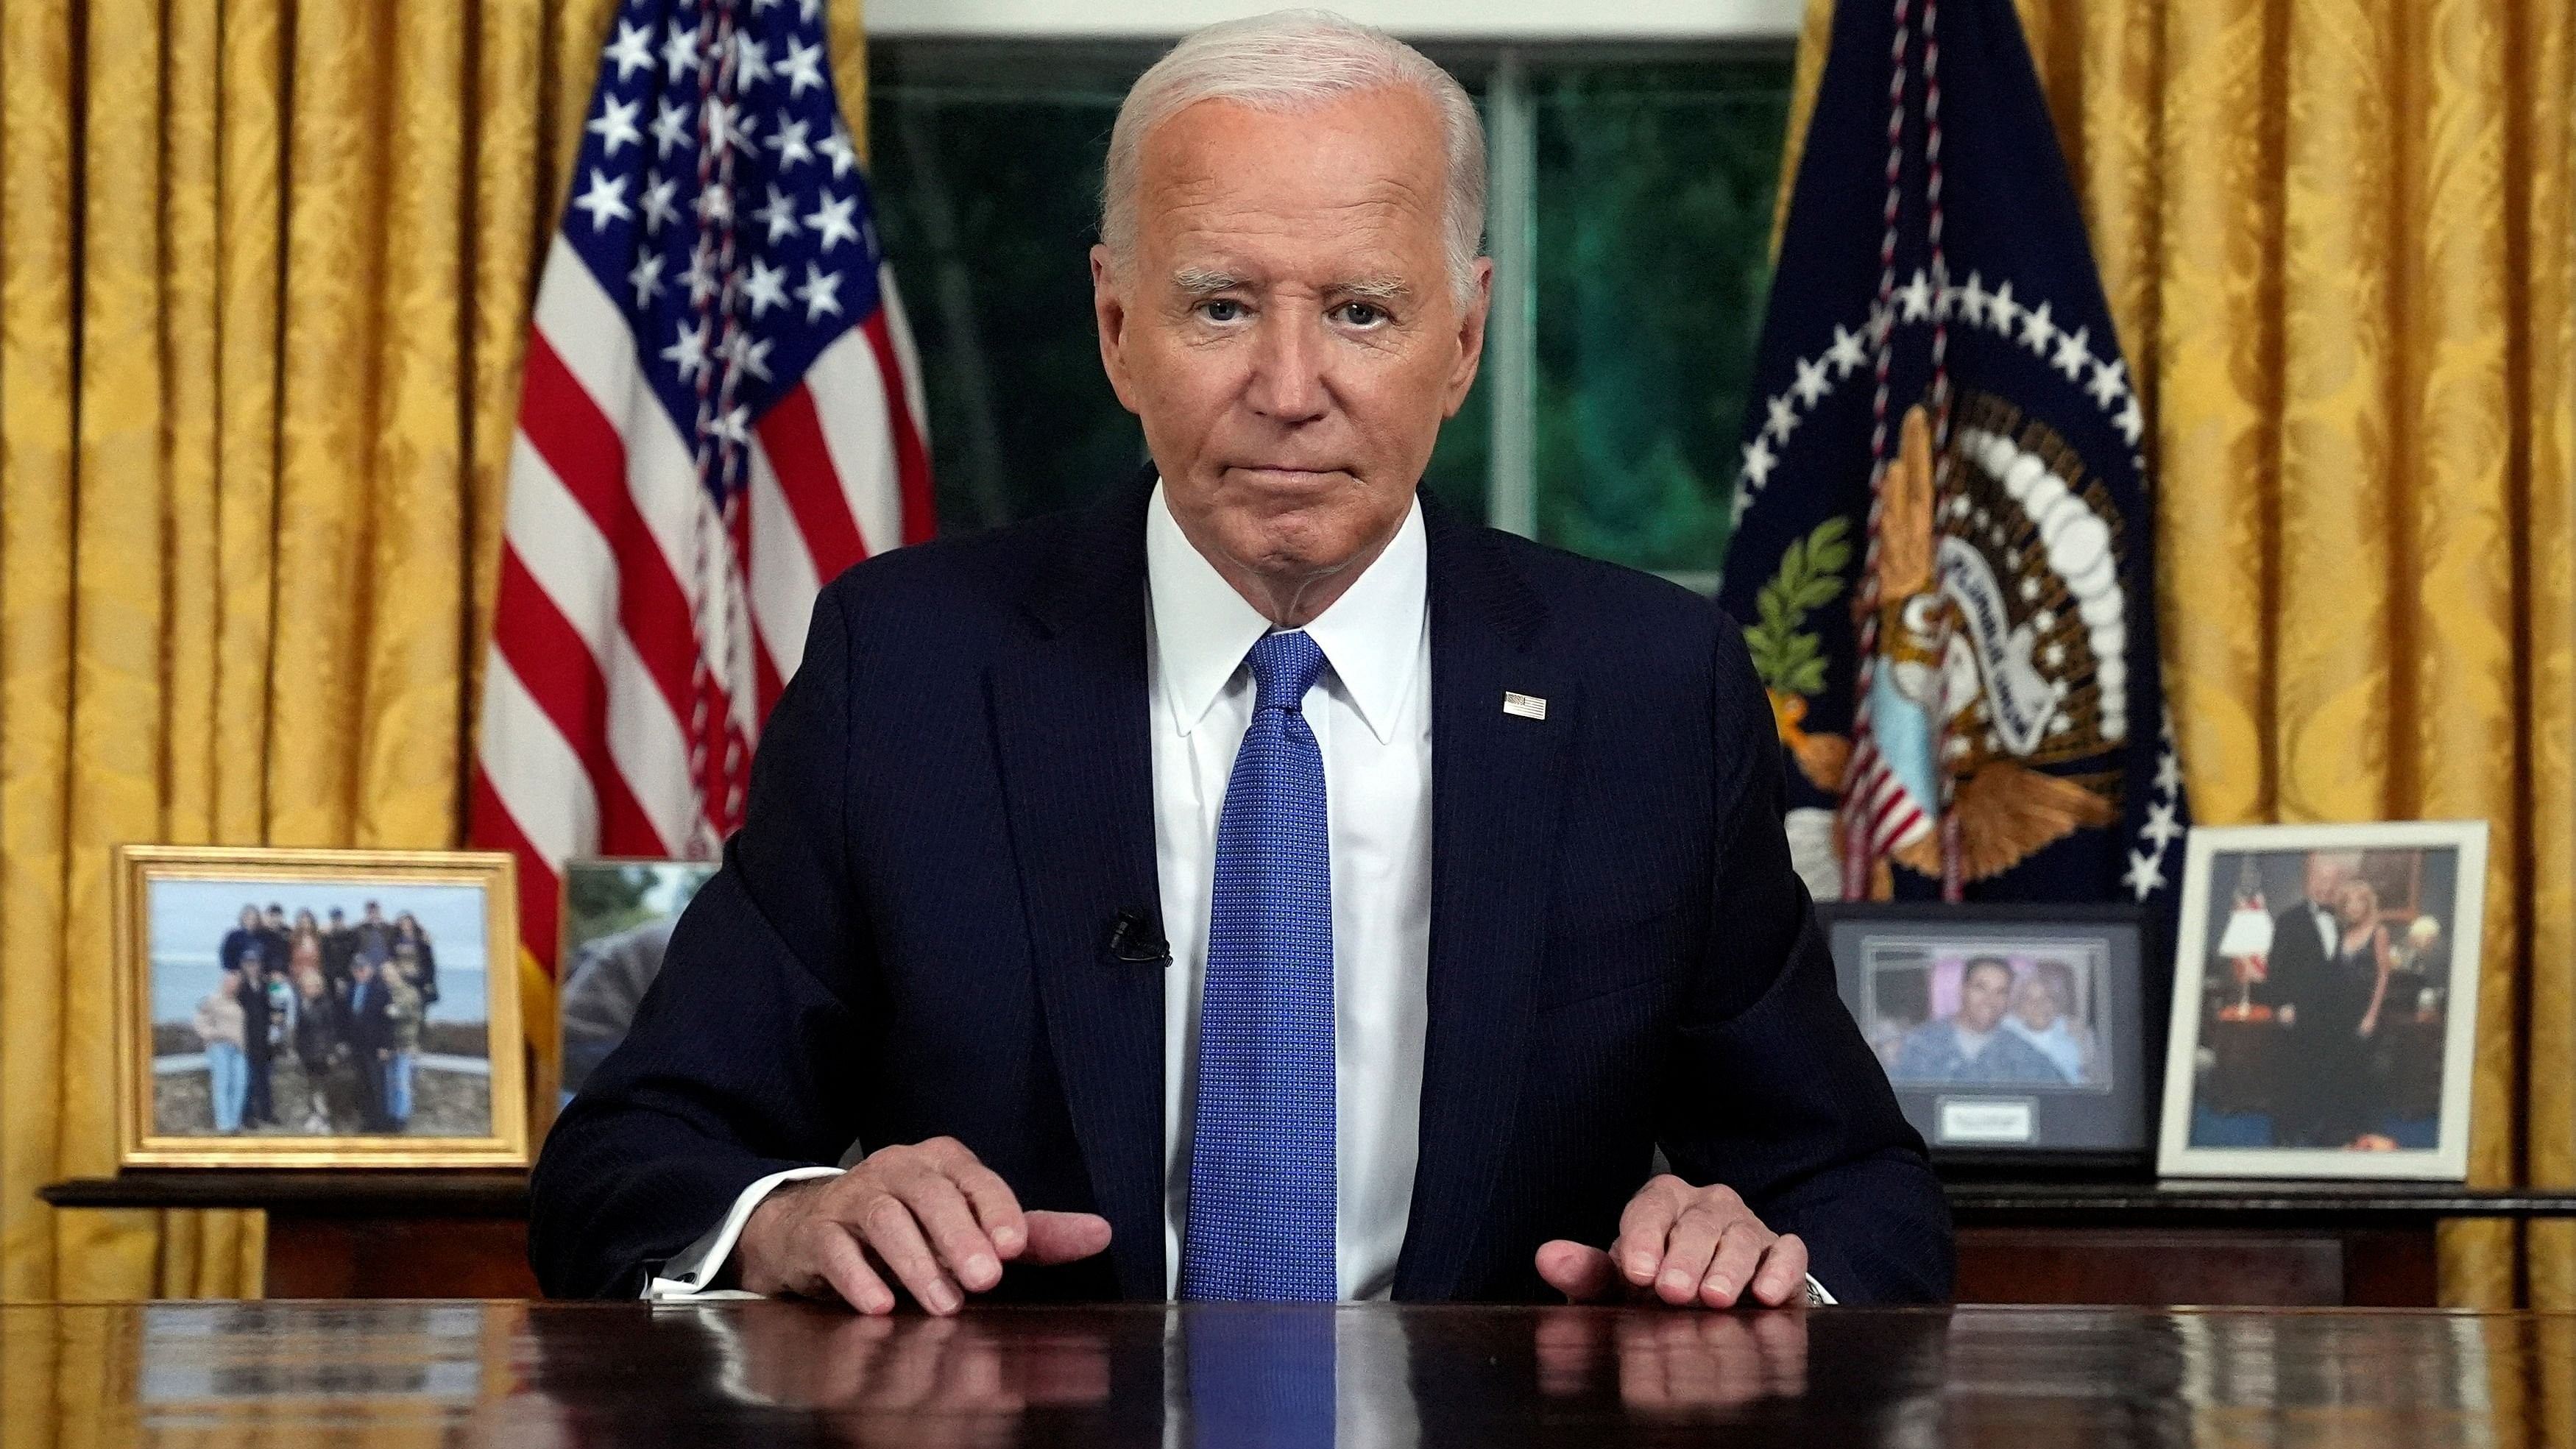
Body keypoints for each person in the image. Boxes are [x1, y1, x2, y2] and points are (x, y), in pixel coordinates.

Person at [529, 10, 1949, 1314]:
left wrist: (1759, 1263)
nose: (1286, 388)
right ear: (1115, 328)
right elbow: (636, 1158)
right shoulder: (908, 667)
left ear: (1462, 338)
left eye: (1361, 312)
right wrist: (790, 1216)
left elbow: (1861, 1195)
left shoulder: (1652, 686)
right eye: (1219, 306)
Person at [1891, 958, 2068, 1085]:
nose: (1989, 1000)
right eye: (1981, 988)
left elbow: (2065, 1101)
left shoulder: (2023, 1053)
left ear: (2009, 999)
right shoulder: (1921, 1043)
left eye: (2001, 992)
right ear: (1963, 990)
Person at [2002, 963, 2092, 1085]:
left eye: (2047, 997)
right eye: (2029, 999)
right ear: (2019, 1007)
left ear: (2057, 1004)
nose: (2038, 1005)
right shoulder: (2006, 1031)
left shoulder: (2075, 1036)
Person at [195, 964, 250, 1133]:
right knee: (222, 1084)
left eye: (235, 984)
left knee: (240, 1084)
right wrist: (211, 1035)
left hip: (238, 1048)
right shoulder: (212, 999)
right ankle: (224, 1125)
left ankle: (235, 1123)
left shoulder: (239, 1002)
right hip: (219, 1048)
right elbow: (199, 1019)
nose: (232, 986)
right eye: (229, 982)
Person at [290, 965, 343, 1133]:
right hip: (308, 1052)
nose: (308, 989)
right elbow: (300, 1030)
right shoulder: (303, 1004)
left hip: (322, 1052)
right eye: (306, 986)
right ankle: (316, 1115)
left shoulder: (326, 1005)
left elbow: (331, 1031)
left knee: (324, 1088)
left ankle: (325, 1119)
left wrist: (331, 1052)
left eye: (312, 986)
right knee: (312, 1086)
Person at [234, 940, 280, 1128]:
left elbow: (275, 1006)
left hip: (265, 1040)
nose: (252, 967)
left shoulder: (266, 985)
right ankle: (248, 1116)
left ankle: (267, 1113)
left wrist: (276, 1021)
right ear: (243, 965)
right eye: (249, 963)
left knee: (265, 1080)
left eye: (255, 963)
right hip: (247, 1040)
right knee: (249, 1080)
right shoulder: (240, 988)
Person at [383, 943, 426, 1130]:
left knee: (402, 1083)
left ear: (398, 974)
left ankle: (401, 1119)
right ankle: (391, 1117)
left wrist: (396, 1011)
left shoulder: (410, 992)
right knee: (389, 1083)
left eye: (391, 974)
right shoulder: (384, 992)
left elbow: (413, 1016)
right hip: (388, 1044)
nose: (388, 978)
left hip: (405, 1044)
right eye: (385, 975)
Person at [393, 911, 439, 1007]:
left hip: (418, 976)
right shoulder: (395, 939)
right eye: (403, 923)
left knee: (418, 1003)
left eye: (408, 923)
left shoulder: (422, 940)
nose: (406, 926)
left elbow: (429, 961)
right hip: (401, 976)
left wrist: (428, 979)